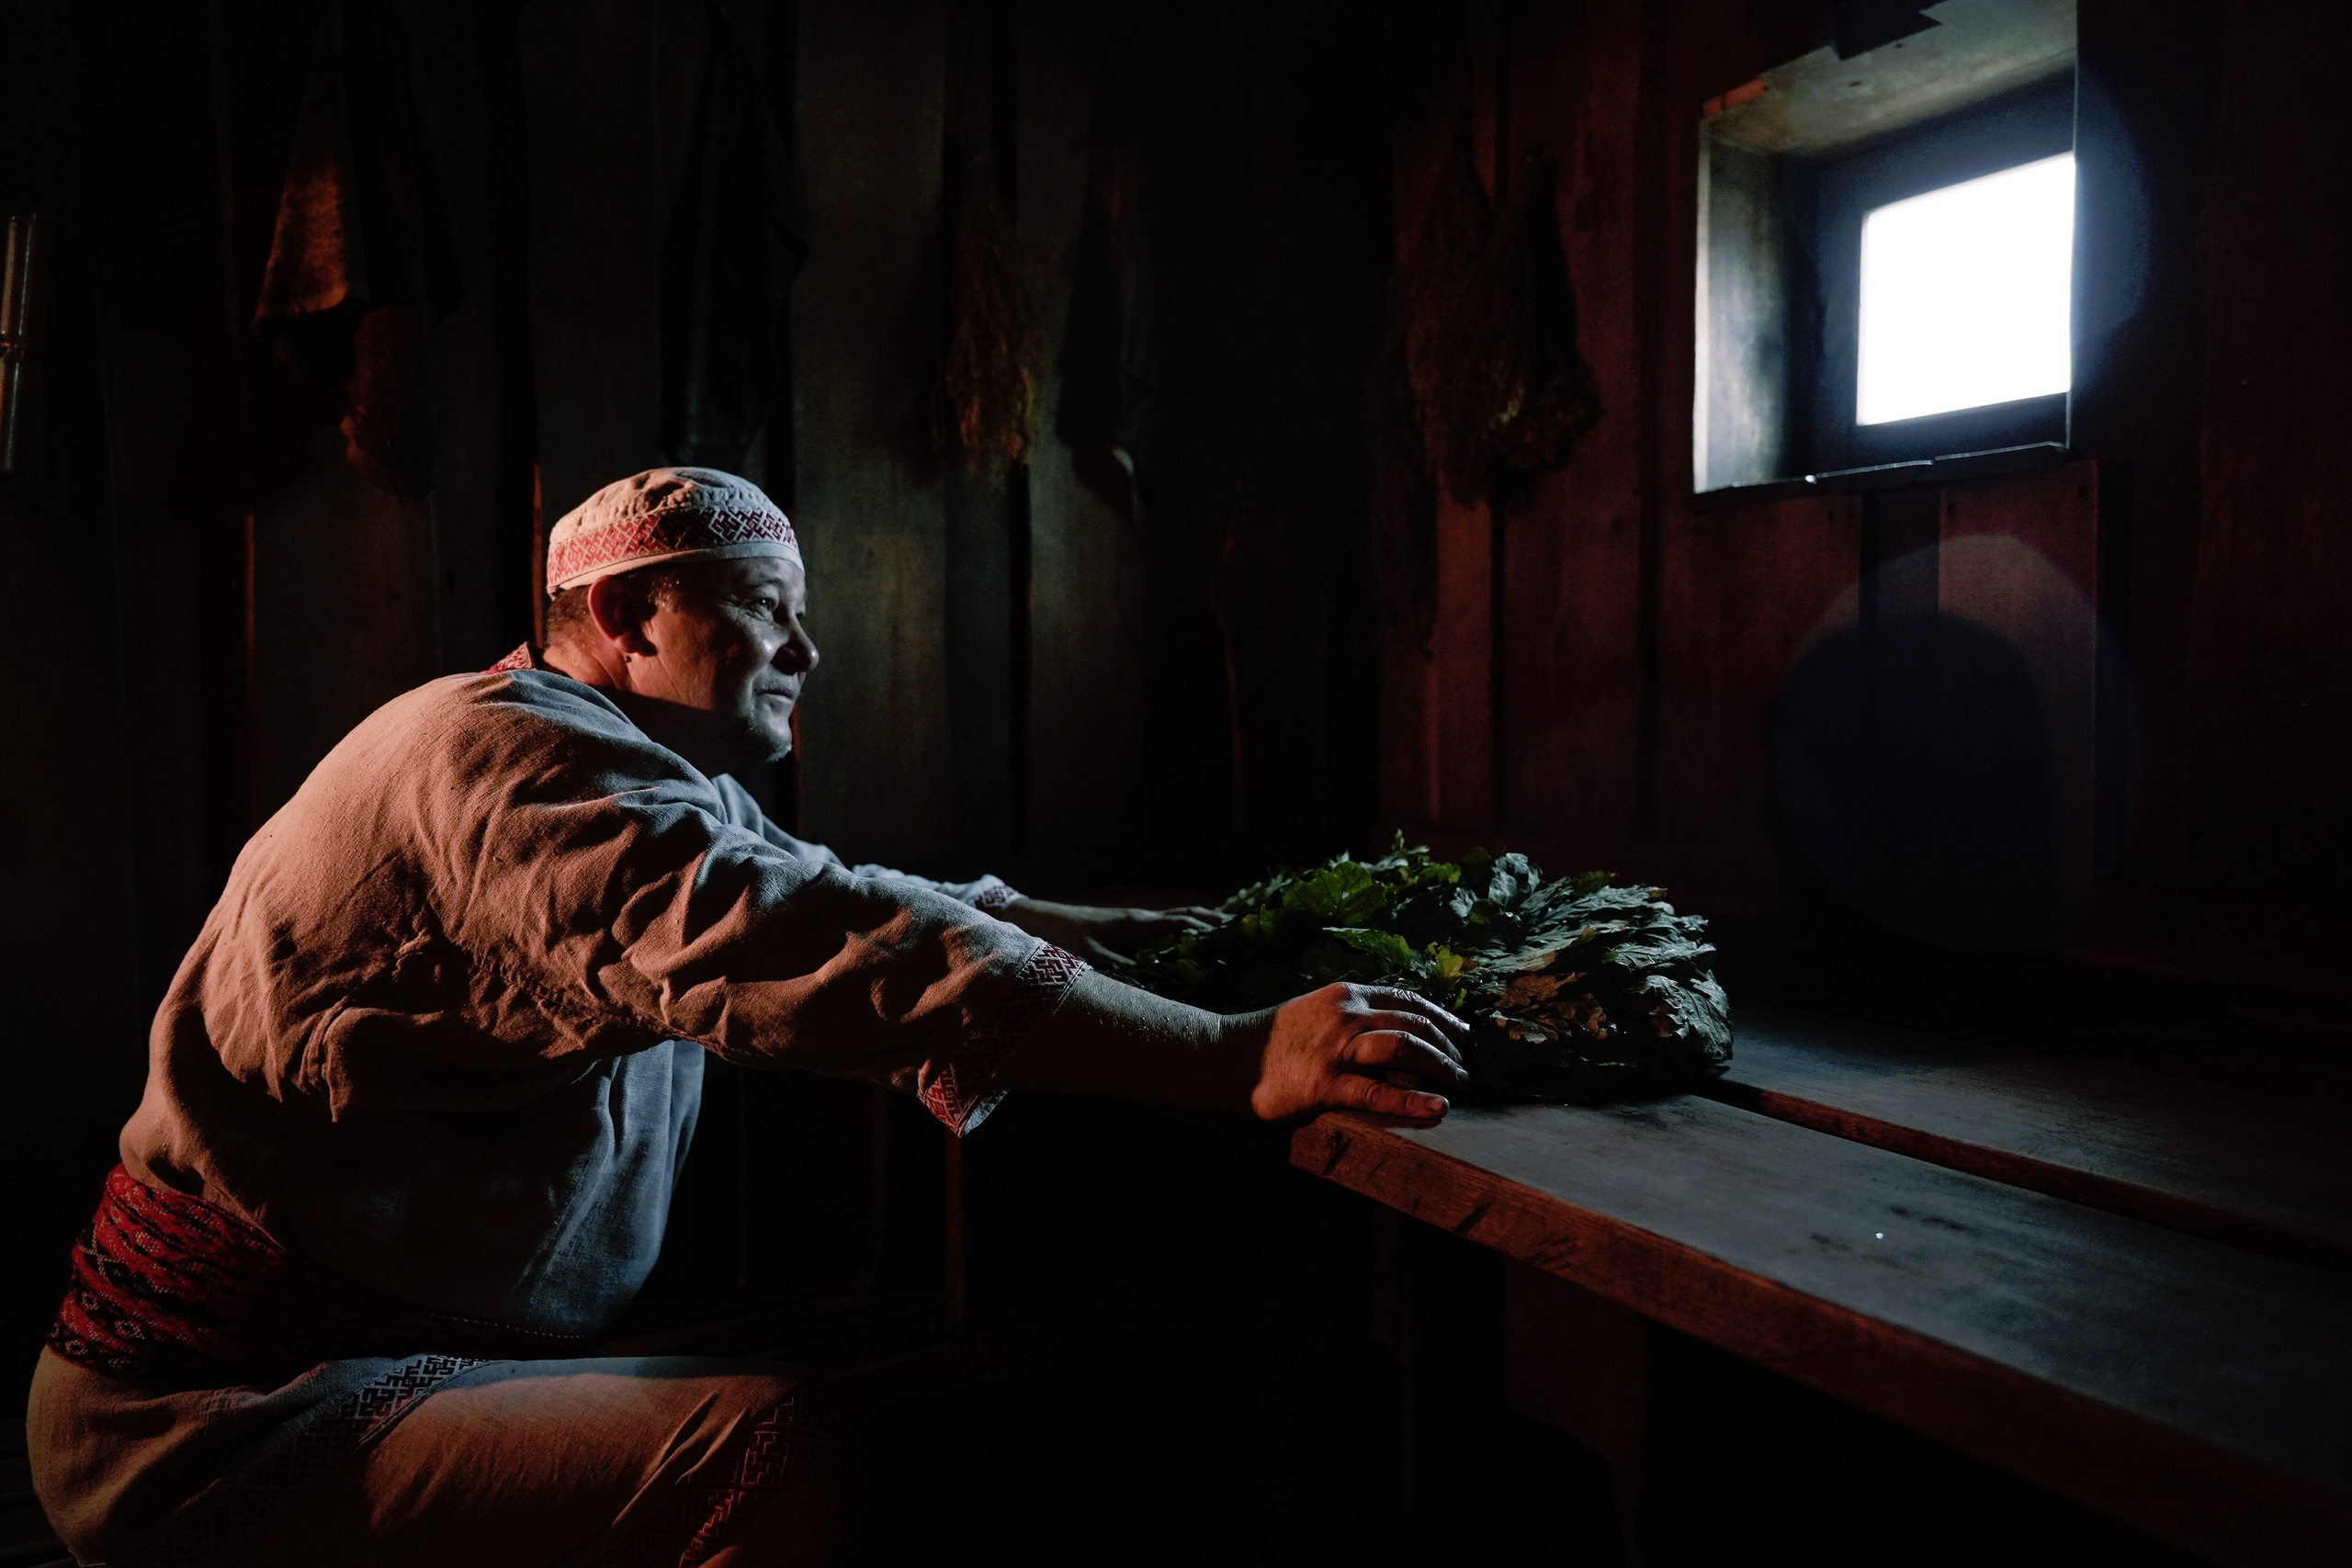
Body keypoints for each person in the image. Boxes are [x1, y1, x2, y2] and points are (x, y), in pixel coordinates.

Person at [28, 467, 1468, 1566]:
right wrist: (1233, 1055)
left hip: (405, 1359)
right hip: (222, 1420)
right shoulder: (504, 770)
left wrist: (1133, 938)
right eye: (766, 611)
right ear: (624, 617)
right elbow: (817, 945)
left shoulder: (602, 763)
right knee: (782, 1447)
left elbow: (831, 889)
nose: (808, 652)